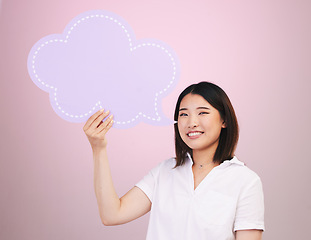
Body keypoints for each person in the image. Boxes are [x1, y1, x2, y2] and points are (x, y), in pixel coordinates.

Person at [83, 81, 265, 240]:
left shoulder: (245, 181)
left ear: (224, 120)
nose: (192, 122)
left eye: (202, 113)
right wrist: (98, 148)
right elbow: (112, 214)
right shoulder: (165, 171)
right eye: (184, 114)